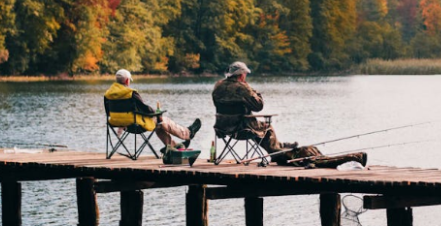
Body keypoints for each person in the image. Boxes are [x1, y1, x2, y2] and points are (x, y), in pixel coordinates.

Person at [212, 61, 367, 168]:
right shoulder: (242, 88)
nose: (246, 77)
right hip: (242, 128)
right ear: (241, 75)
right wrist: (253, 90)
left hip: (223, 129)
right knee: (267, 127)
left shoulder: (217, 86)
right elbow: (259, 106)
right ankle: (278, 152)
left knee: (262, 131)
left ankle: (280, 148)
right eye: (245, 75)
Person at [105, 69, 201, 150]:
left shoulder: (108, 94)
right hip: (136, 125)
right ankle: (188, 133)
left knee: (159, 124)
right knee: (162, 121)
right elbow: (145, 108)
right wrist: (156, 113)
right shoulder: (131, 93)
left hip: (118, 124)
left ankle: (173, 146)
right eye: (129, 80)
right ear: (126, 81)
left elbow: (108, 113)